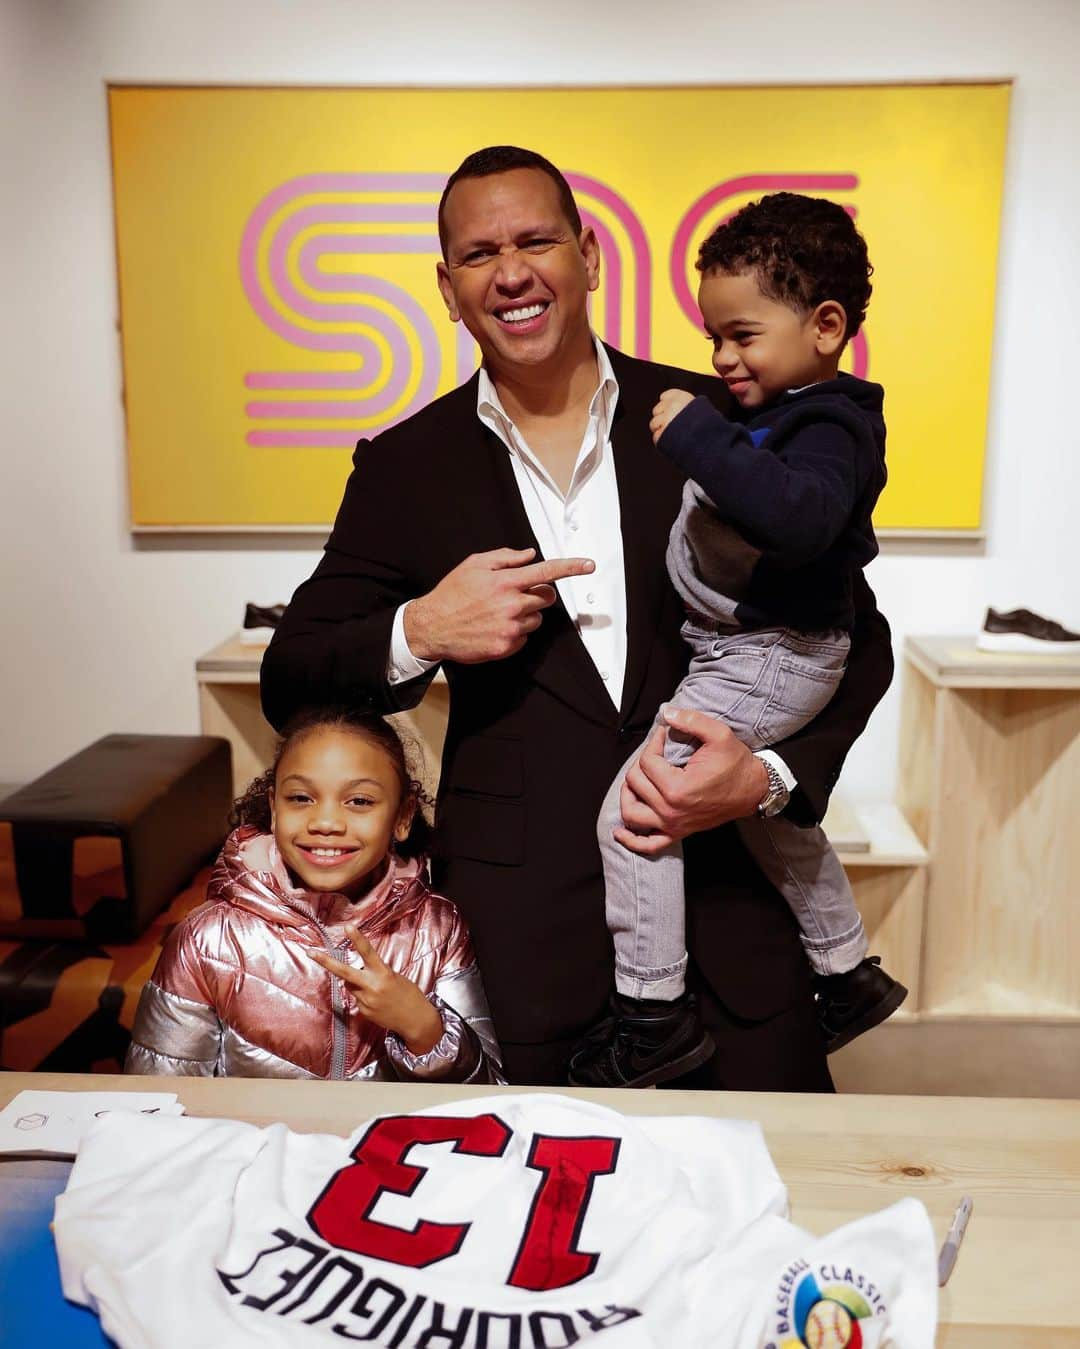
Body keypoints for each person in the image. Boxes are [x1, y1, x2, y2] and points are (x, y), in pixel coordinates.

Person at [260, 146, 894, 1089]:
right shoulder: (405, 467)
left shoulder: (721, 414)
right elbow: (291, 675)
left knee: (766, 1214)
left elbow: (859, 640)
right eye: (478, 254)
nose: (511, 271)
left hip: (732, 934)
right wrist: (422, 629)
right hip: (528, 952)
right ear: (447, 286)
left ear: (588, 258)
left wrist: (761, 779)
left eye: (536, 241)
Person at [571, 193, 904, 1090]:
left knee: (637, 811)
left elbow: (799, 516)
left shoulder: (828, 423)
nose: (722, 358)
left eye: (742, 335)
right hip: (744, 654)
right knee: (762, 821)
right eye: (713, 336)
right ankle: (847, 971)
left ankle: (652, 1017)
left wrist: (701, 435)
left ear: (826, 326)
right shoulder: (770, 408)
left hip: (769, 656)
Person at [125, 706, 502, 1082]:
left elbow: (490, 1098)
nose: (325, 823)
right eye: (301, 798)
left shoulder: (439, 930)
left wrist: (424, 1029)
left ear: (402, 817)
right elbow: (156, 1108)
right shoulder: (207, 939)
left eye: (359, 801)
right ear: (274, 808)